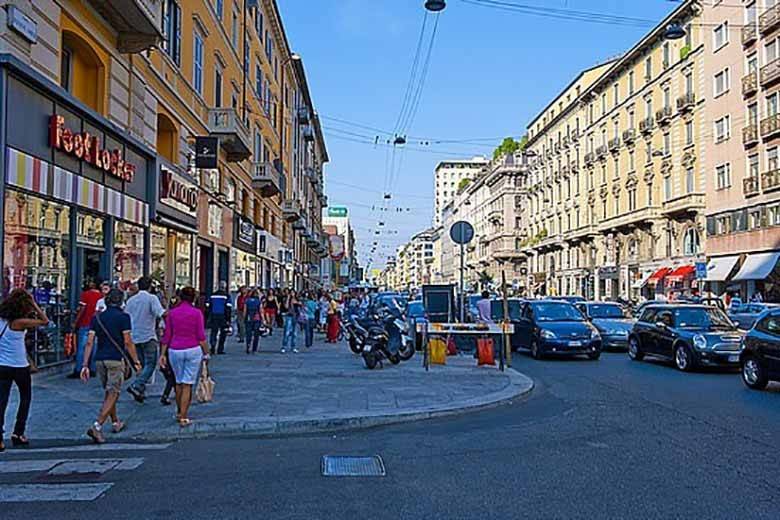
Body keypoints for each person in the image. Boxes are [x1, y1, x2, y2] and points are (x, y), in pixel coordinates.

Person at [81, 289, 142, 444]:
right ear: (121, 302)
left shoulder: (97, 318)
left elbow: (89, 342)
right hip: (115, 359)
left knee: (109, 392)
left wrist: (85, 364)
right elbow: (127, 342)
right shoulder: (124, 317)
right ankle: (97, 426)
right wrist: (136, 361)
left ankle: (115, 422)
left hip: (100, 359)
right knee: (113, 392)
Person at [0, 289, 49, 451]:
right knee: (25, 398)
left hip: (2, 365)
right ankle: (18, 432)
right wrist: (33, 303)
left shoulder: (1, 320)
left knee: (2, 401)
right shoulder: (20, 322)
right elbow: (45, 321)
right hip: (19, 365)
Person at [159, 287, 209, 427]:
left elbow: (167, 335)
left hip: (175, 349)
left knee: (178, 382)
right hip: (192, 349)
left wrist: (162, 354)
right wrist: (206, 352)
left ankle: (179, 411)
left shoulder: (172, 314)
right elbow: (201, 336)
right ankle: (183, 416)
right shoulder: (197, 313)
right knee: (187, 383)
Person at [125, 276, 165, 403]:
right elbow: (160, 313)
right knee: (151, 364)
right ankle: (137, 385)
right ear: (150, 286)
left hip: (134, 336)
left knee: (140, 365)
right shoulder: (151, 298)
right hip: (148, 335)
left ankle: (140, 391)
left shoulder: (131, 300)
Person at [69, 280, 102, 379]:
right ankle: (92, 369)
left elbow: (82, 309)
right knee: (94, 347)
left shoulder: (85, 295)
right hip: (96, 324)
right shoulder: (101, 296)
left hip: (85, 322)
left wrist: (75, 321)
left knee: (82, 347)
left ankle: (79, 369)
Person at [206, 282, 232, 355]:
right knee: (223, 333)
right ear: (225, 287)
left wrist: (208, 316)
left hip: (214, 315)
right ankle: (220, 349)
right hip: (222, 316)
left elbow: (208, 306)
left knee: (214, 332)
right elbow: (228, 308)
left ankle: (213, 347)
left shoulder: (212, 295)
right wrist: (228, 319)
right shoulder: (226, 296)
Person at [244, 289, 264, 354]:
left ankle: (248, 345)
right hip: (256, 317)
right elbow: (261, 311)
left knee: (248, 333)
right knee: (256, 334)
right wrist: (263, 319)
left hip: (249, 317)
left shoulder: (247, 301)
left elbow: (245, 310)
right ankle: (254, 349)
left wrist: (245, 318)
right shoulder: (258, 301)